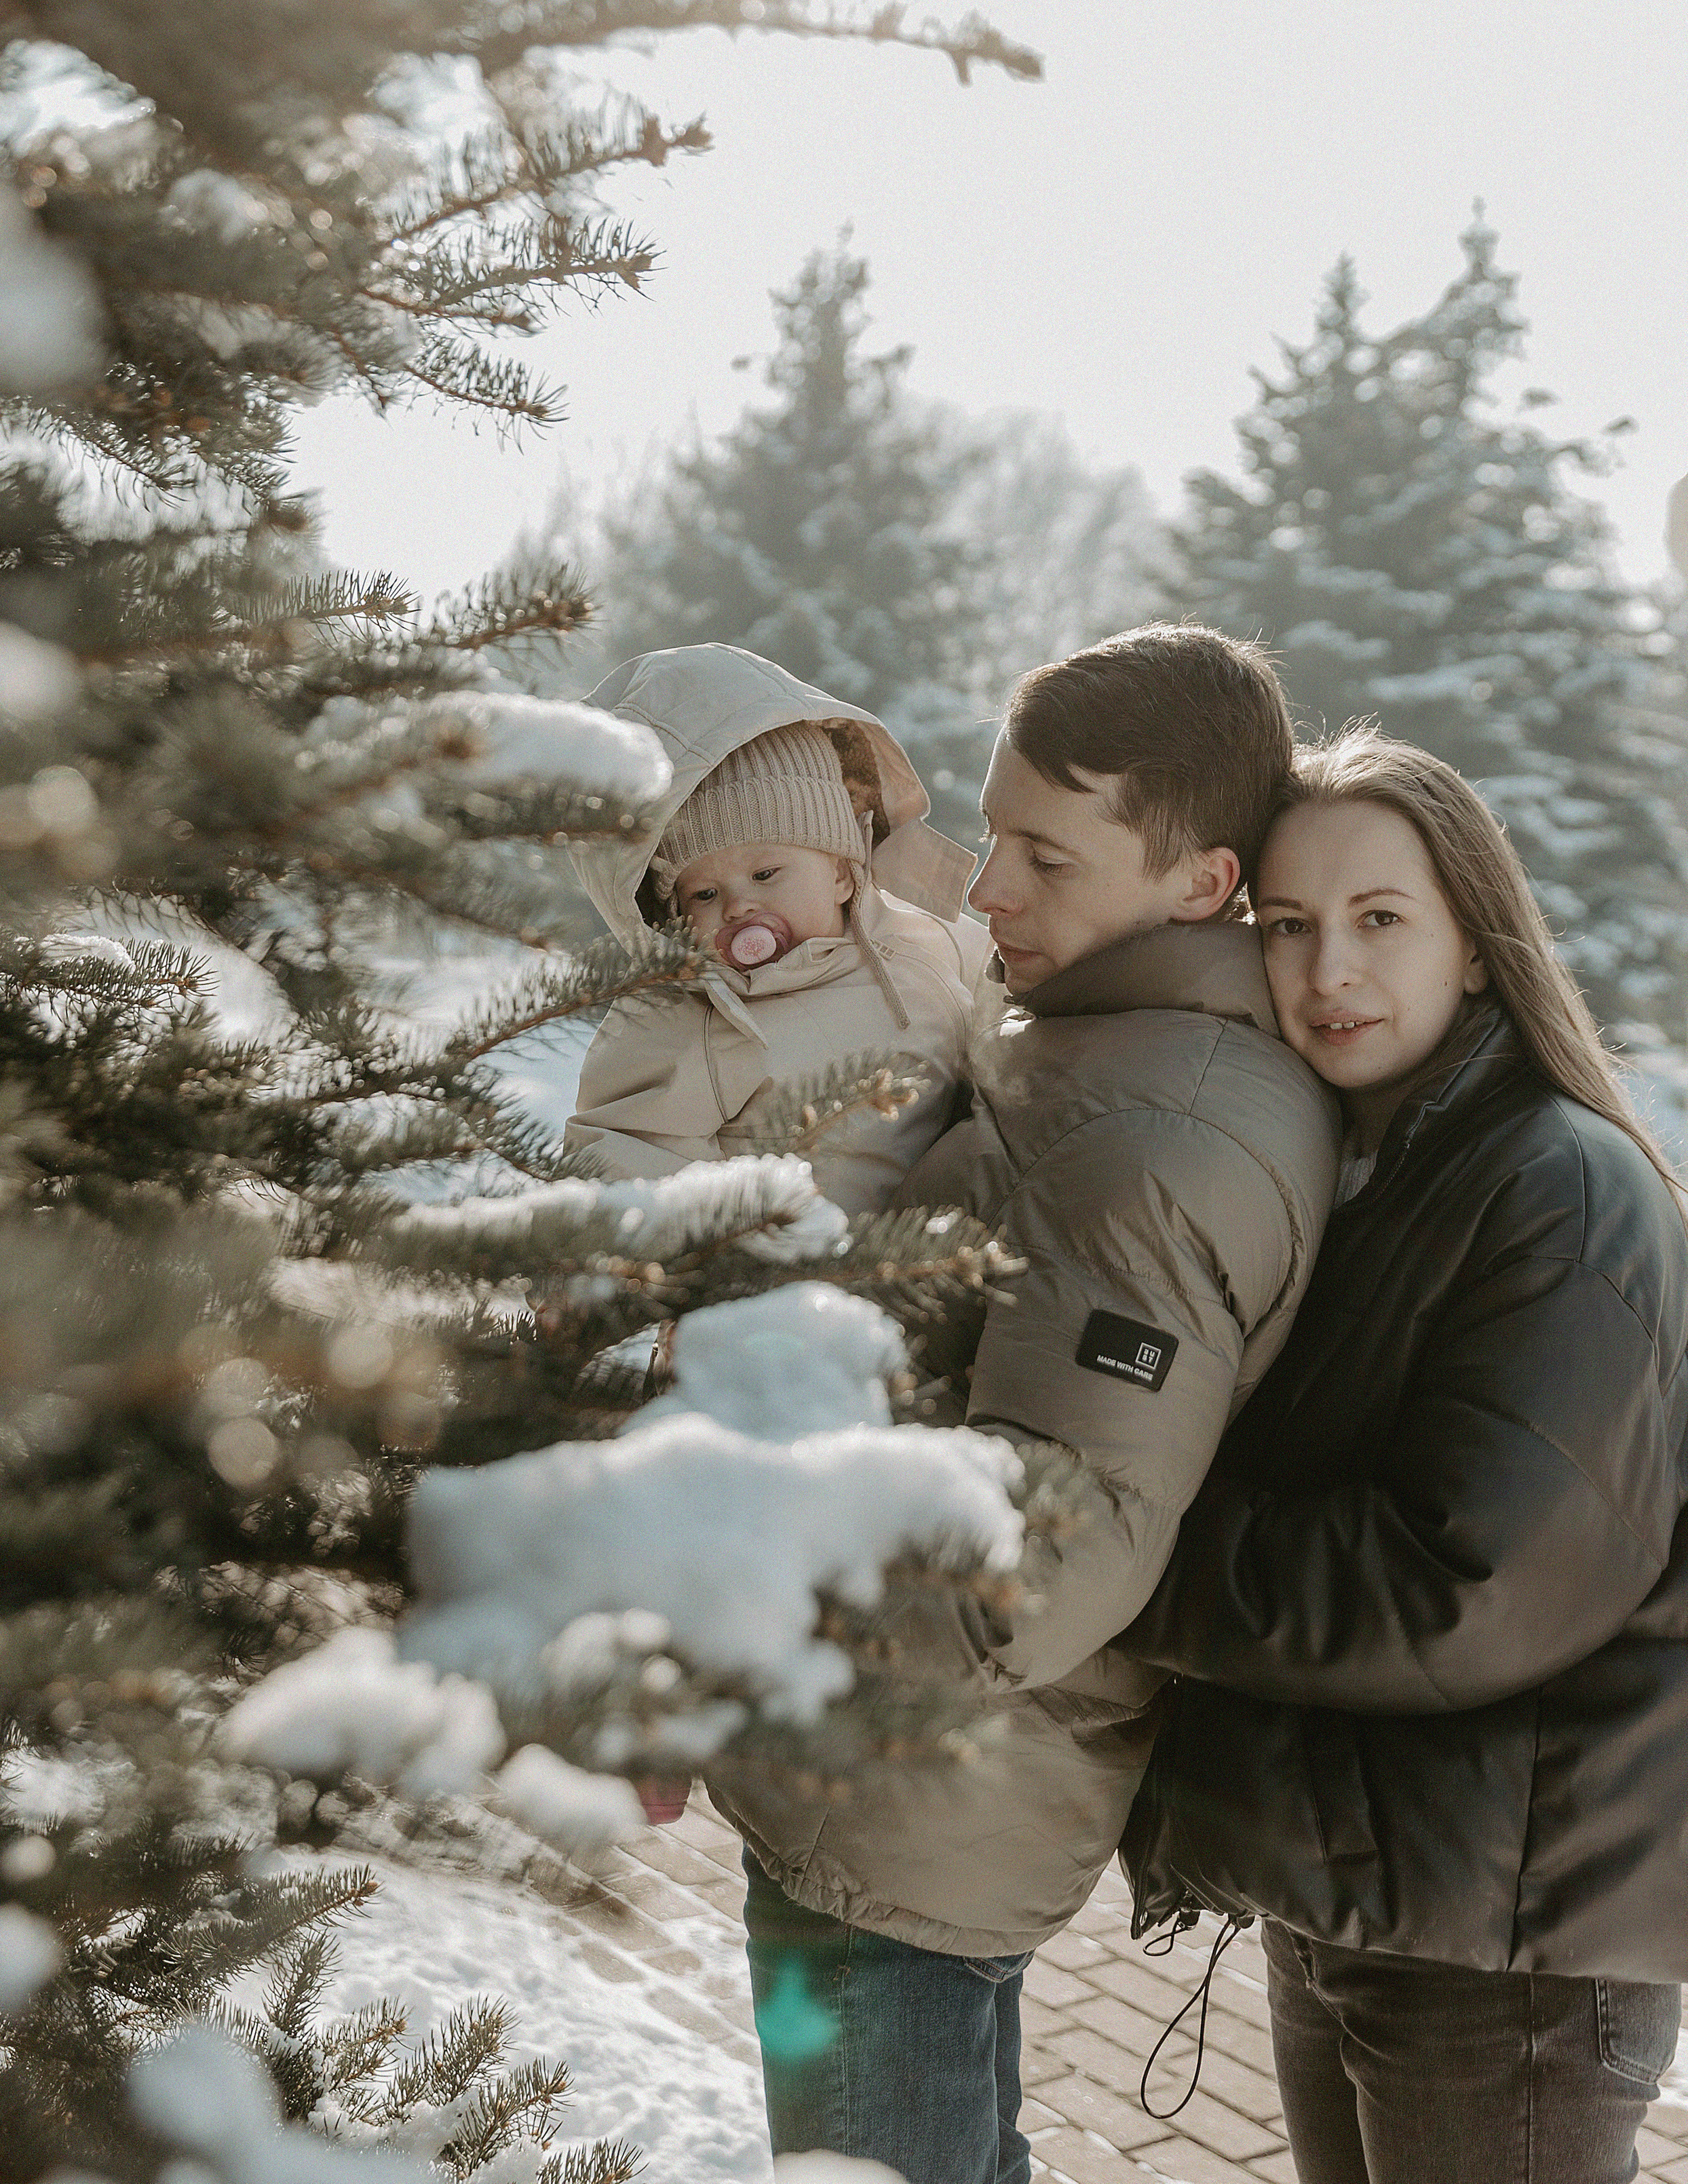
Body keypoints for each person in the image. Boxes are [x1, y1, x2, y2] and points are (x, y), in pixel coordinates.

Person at [712, 626, 1341, 2184]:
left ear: (1197, 883)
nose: (985, 886)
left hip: (896, 1825)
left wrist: (746, 1600)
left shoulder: (1156, 1131)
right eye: (990, 829)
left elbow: (1040, 1558)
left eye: (1042, 856)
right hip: (883, 1811)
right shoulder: (1094, 1057)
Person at [1117, 731, 1688, 2184]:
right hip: (1367, 1899)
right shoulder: (1368, 1169)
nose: (1325, 976)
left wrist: (1123, 1552)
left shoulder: (1554, 1185)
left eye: (1379, 921)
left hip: (1506, 1958)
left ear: (1479, 947)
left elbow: (1465, 1581)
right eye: (1288, 929)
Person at [565, 643, 986, 1214]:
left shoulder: (923, 939)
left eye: (766, 874)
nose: (739, 906)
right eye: (706, 894)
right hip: (793, 1277)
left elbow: (1009, 991)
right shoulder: (693, 1017)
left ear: (841, 871)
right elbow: (624, 1153)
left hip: (936, 1248)